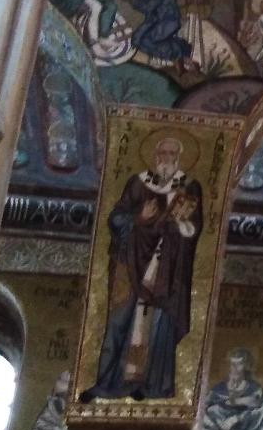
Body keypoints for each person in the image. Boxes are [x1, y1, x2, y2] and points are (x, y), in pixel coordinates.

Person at [81, 136, 203, 402]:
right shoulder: (137, 183)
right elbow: (116, 217)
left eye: (172, 153)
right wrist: (139, 219)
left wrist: (180, 227)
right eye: (162, 152)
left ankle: (149, 385)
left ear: (179, 157)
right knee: (118, 321)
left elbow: (194, 229)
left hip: (164, 269)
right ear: (154, 155)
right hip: (130, 265)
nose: (166, 158)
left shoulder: (189, 187)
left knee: (157, 326)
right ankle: (105, 384)